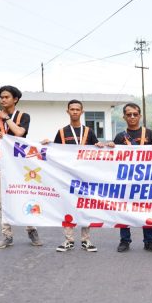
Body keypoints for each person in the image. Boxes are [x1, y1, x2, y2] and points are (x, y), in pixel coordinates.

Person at [41, 99, 104, 253]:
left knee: (85, 206)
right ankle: (68, 240)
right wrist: (48, 145)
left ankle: (86, 240)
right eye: (72, 109)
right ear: (67, 111)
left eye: (77, 109)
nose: (75, 112)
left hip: (84, 176)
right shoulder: (62, 132)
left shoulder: (89, 132)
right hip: (67, 177)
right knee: (67, 205)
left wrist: (99, 146)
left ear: (82, 112)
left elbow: (96, 150)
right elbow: (55, 152)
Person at [0, 85, 42, 249]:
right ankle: (7, 235)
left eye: (6, 97)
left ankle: (31, 230)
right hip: (2, 163)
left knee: (25, 196)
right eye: (1, 97)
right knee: (3, 202)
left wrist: (6, 119)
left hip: (20, 165)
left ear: (15, 99)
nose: (3, 100)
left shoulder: (23, 116)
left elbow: (20, 133)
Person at [113, 103, 152, 253]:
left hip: (146, 180)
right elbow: (111, 159)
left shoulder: (148, 133)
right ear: (124, 117)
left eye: (135, 114)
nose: (132, 117)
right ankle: (124, 240)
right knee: (124, 209)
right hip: (126, 180)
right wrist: (109, 146)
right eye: (129, 114)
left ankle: (149, 241)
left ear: (140, 116)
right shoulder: (120, 137)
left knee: (147, 210)